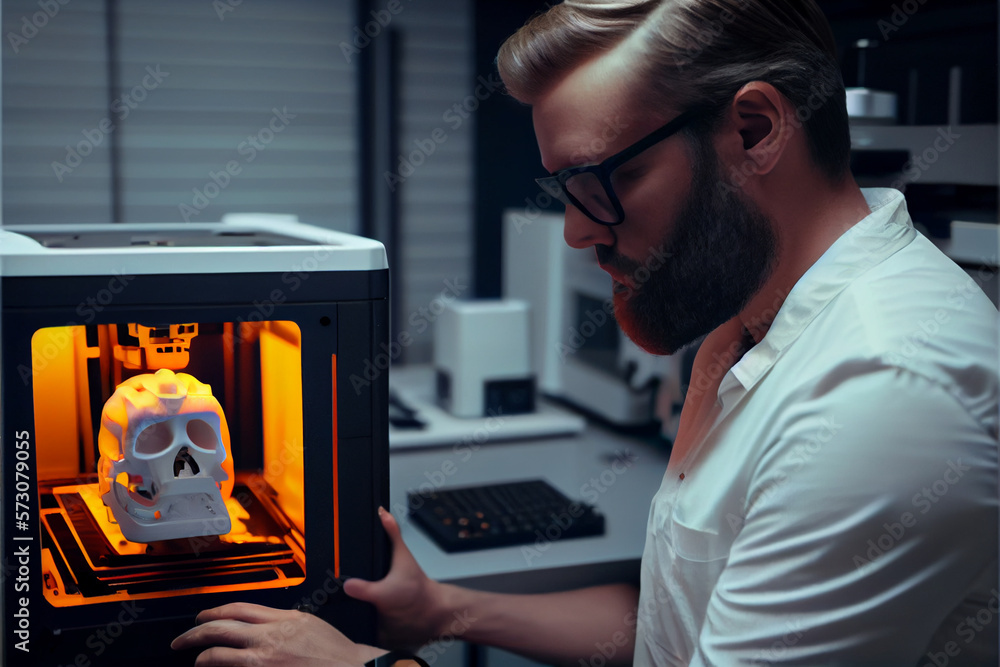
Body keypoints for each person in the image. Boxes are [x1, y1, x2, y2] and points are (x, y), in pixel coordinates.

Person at [171, 1, 999, 665]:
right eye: (563, 187)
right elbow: (667, 620)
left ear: (755, 131)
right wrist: (444, 611)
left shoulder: (881, 391)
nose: (574, 231)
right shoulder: (749, 323)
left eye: (601, 179)